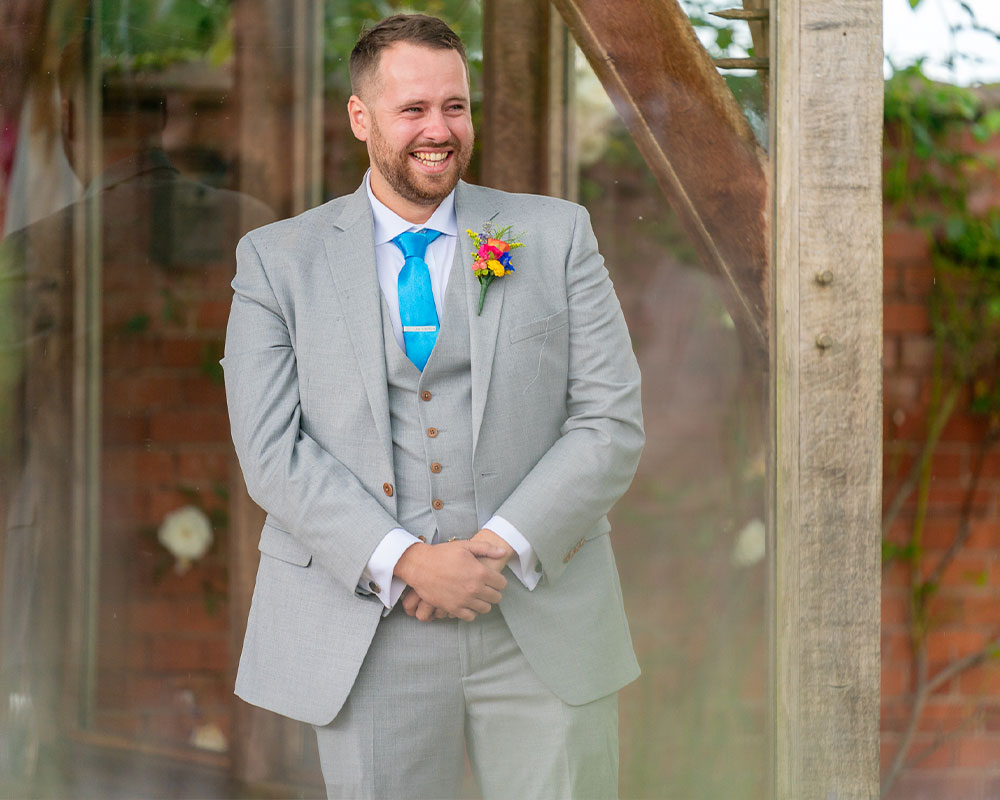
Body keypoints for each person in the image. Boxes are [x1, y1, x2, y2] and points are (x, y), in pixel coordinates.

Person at [223, 13, 643, 799]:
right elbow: (271, 451)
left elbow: (609, 420)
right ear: (361, 117)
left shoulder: (553, 236)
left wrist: (493, 552)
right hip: (371, 631)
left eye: (455, 106)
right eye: (413, 109)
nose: (439, 130)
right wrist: (410, 562)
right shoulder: (278, 262)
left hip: (538, 617)